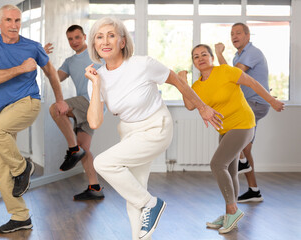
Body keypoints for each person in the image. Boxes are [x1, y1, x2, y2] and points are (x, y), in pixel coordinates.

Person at [85, 17, 223, 240]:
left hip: (155, 127)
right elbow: (94, 122)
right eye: (99, 37)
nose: (105, 41)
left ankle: (152, 203)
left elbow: (178, 81)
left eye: (111, 35)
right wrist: (96, 84)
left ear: (122, 42)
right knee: (134, 191)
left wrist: (202, 107)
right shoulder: (97, 77)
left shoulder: (142, 64)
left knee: (103, 163)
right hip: (129, 133)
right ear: (94, 44)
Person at [0, 5, 68, 233]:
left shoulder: (33, 47)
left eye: (17, 20)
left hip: (27, 102)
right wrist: (21, 68)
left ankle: (22, 168)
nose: (13, 25)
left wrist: (60, 101)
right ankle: (21, 216)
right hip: (2, 109)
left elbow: (51, 73)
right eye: (8, 20)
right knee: (0, 169)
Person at [186, 44, 284, 234]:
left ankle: (232, 210)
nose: (200, 58)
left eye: (204, 54)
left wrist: (272, 101)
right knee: (230, 171)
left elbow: (253, 83)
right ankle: (229, 214)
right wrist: (182, 82)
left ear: (212, 57)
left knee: (217, 164)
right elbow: (190, 105)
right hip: (225, 129)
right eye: (196, 56)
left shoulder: (225, 71)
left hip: (243, 124)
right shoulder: (197, 85)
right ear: (194, 63)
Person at [44, 25, 104, 201]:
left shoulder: (96, 53)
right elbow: (54, 77)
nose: (74, 42)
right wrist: (43, 59)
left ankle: (73, 150)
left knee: (56, 108)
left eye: (77, 37)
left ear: (85, 37)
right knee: (85, 149)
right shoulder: (70, 62)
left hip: (91, 101)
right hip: (86, 108)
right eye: (70, 39)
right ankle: (95, 187)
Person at [215, 22, 271, 203]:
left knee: (233, 130)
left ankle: (242, 161)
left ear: (248, 35)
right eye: (232, 33)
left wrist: (218, 54)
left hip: (255, 104)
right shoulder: (237, 57)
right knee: (246, 148)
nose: (234, 36)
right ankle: (254, 190)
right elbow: (229, 75)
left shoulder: (252, 53)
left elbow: (235, 75)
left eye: (238, 33)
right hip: (249, 104)